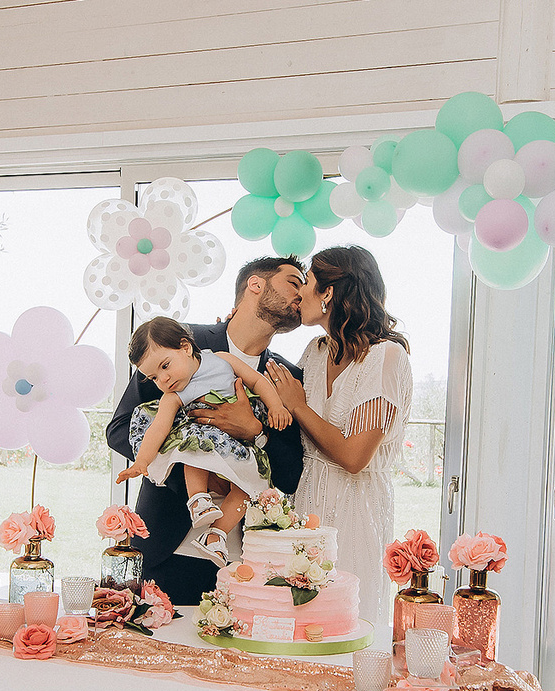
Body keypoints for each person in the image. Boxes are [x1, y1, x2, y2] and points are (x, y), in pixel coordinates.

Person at [103, 256, 309, 605]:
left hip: (243, 564)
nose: (302, 294)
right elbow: (121, 429)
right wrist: (193, 471)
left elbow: (290, 474)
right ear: (256, 285)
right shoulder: (173, 345)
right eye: (294, 282)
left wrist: (255, 431)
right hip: (167, 548)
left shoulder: (286, 377)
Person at [285, 246, 414, 624]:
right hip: (304, 504)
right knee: (298, 624)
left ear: (328, 293)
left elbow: (355, 458)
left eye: (306, 283)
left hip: (355, 511)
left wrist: (299, 406)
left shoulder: (385, 358)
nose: (299, 294)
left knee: (346, 624)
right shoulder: (314, 350)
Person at [115, 315, 293, 564]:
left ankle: (216, 535)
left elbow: (256, 381)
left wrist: (275, 406)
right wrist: (142, 462)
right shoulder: (175, 395)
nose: (163, 380)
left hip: (239, 445)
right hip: (206, 440)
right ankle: (198, 500)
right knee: (193, 448)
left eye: (165, 366)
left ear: (186, 347)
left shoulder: (222, 360)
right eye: (154, 378)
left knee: (248, 485)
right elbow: (158, 427)